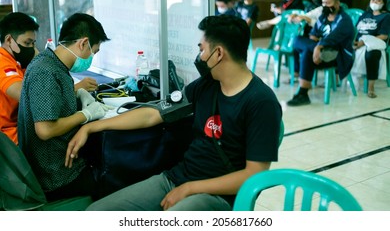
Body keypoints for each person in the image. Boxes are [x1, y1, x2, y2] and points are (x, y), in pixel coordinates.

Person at [65, 15, 282, 211]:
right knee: (97, 213)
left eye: (202, 49)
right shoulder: (205, 86)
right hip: (177, 178)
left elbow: (255, 174)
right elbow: (153, 114)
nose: (200, 56)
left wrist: (191, 188)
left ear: (218, 53)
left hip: (219, 197)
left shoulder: (261, 103)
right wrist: (92, 126)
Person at [18, 13, 111, 201]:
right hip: (56, 176)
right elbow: (45, 129)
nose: (92, 57)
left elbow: (49, 100)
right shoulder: (46, 71)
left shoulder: (52, 62)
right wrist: (86, 115)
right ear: (83, 43)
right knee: (115, 178)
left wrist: (76, 94)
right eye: (94, 51)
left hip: (59, 163)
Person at [287, 0, 355, 106]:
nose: (325, 6)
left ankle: (302, 93)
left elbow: (333, 38)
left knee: (308, 51)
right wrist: (317, 45)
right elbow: (314, 34)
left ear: (337, 4)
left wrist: (318, 46)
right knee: (298, 40)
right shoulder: (323, 17)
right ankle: (303, 93)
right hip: (320, 51)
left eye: (328, 3)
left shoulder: (344, 20)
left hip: (337, 54)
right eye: (323, 3)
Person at [0, 12, 39, 145]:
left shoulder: (16, 62)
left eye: (33, 43)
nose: (32, 49)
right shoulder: (2, 63)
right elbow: (26, 95)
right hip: (8, 138)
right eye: (27, 43)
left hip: (18, 129)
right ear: (9, 40)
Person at [351, 0, 390, 98]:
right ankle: (339, 80)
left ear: (383, 3)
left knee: (372, 55)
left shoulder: (386, 16)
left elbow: (384, 36)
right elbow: (355, 30)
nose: (375, 2)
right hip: (358, 42)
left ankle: (371, 87)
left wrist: (364, 42)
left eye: (378, 0)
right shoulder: (365, 15)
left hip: (375, 43)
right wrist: (355, 41)